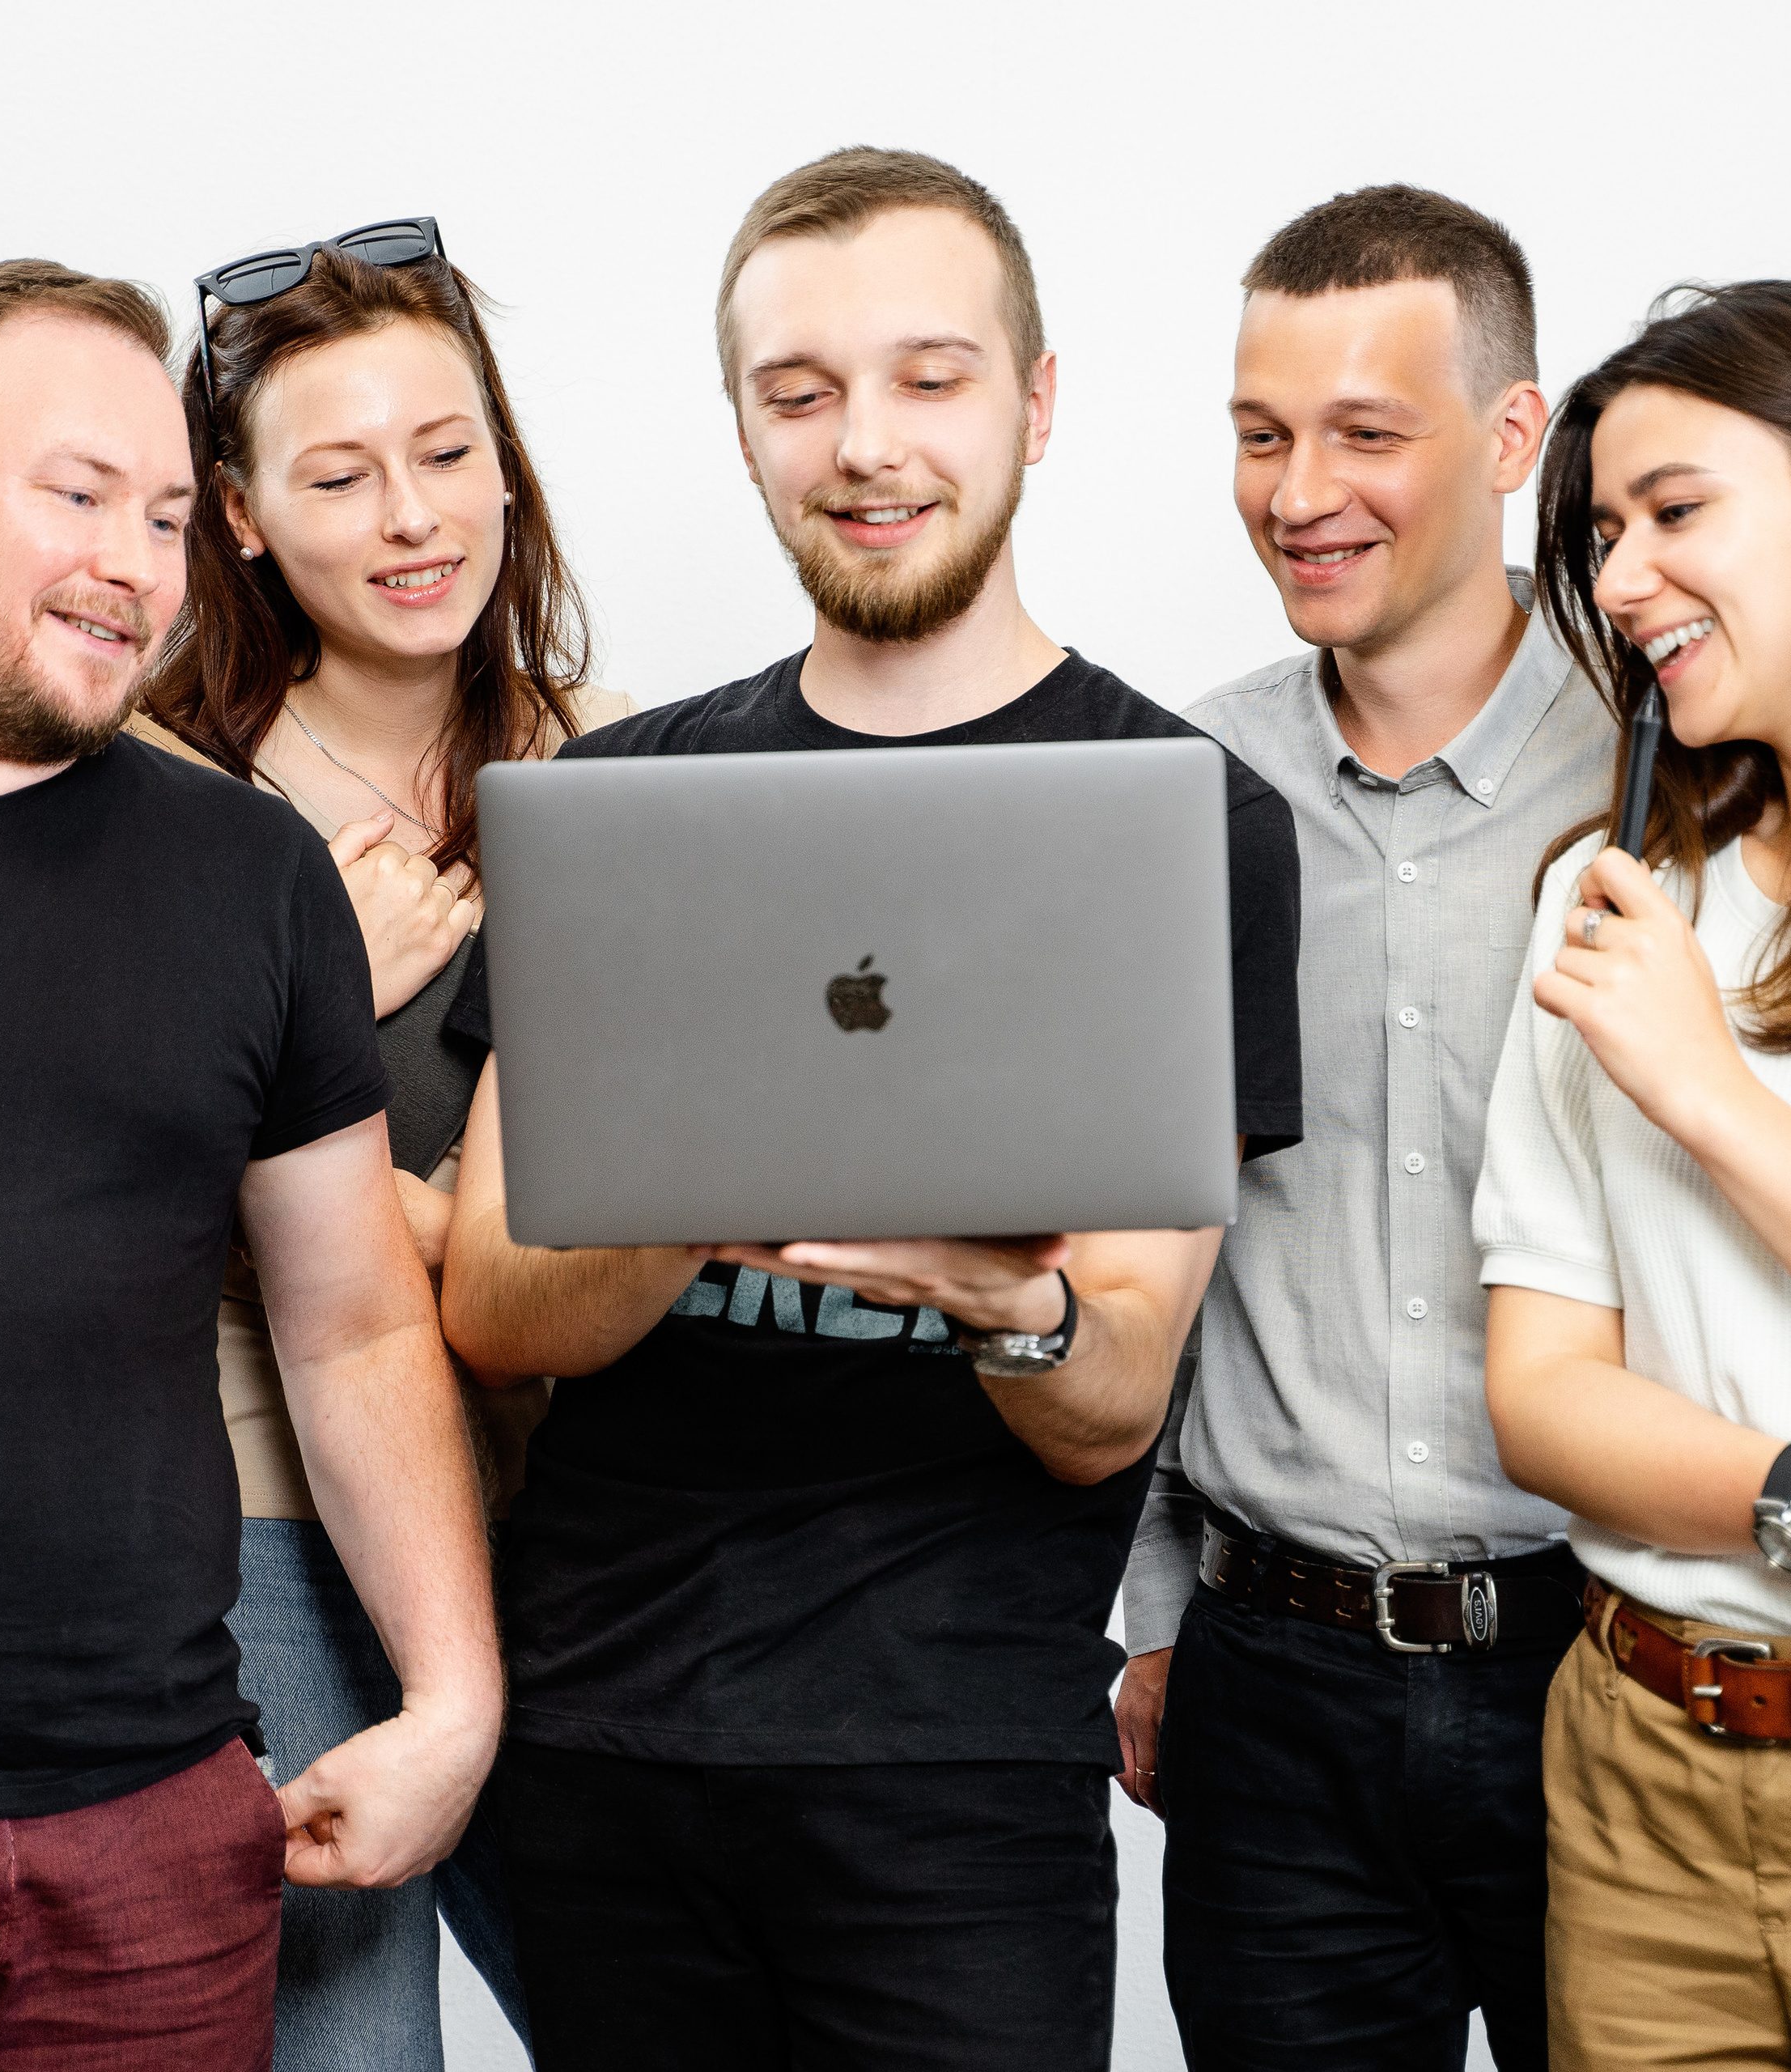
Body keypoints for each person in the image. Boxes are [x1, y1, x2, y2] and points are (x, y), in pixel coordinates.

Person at [436, 146, 1303, 2071]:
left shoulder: (1174, 820)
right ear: (740, 430)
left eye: (928, 376)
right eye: (798, 390)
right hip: (602, 1739)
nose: (864, 445)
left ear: (1036, 401)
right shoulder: (620, 805)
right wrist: (716, 1163)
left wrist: (1011, 1306)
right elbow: (494, 1314)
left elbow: (1111, 1402)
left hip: (954, 1766)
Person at [0, 261, 499, 2067]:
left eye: (175, 512)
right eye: (79, 493)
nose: (137, 556)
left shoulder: (249, 876)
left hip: (144, 1831)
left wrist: (452, 1695)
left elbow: (347, 1323)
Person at [1113, 186, 1616, 2071]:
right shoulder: (1168, 789)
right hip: (1268, 1686)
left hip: (1607, 1663)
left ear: (1509, 440)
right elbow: (1150, 1217)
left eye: (1360, 431)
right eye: (1259, 433)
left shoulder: (1675, 770)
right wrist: (1156, 1612)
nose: (1294, 488)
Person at [138, 219, 627, 2070]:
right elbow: (87, 1196)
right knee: (355, 2047)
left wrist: (436, 1221)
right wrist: (321, 995)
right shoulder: (154, 796)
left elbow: (654, 1189)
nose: (412, 515)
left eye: (444, 453)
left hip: (567, 1526)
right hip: (267, 1526)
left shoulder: (607, 775)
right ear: (243, 518)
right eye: (338, 475)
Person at [1478, 279, 1791, 2070]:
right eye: (1601, 532)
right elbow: (1542, 1398)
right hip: (1646, 1776)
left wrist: (1704, 1088)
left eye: (1673, 510)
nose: (1617, 580)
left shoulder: (1658, 1000)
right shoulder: (1610, 905)